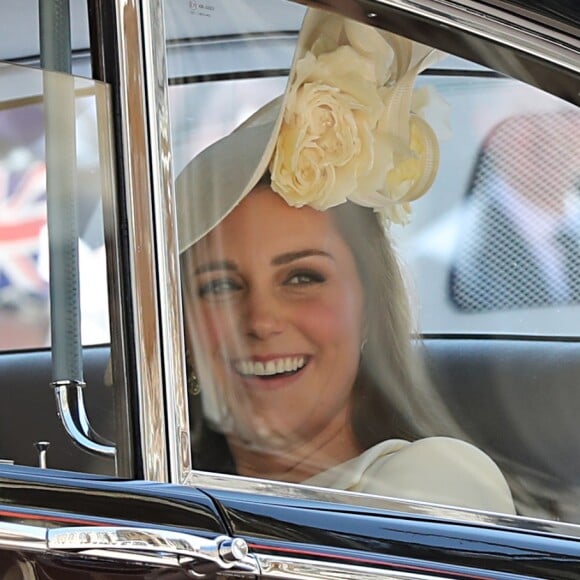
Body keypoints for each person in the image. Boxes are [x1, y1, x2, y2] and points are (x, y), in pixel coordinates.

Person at [176, 7, 516, 515]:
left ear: (368, 306)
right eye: (220, 286)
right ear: (176, 329)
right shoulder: (152, 507)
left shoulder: (439, 484)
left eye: (301, 277)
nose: (262, 321)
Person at [450, 110, 580, 312]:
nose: (551, 132)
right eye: (528, 112)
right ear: (486, 127)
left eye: (567, 111)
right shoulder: (450, 260)